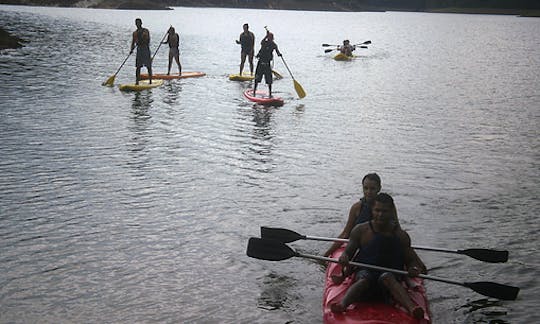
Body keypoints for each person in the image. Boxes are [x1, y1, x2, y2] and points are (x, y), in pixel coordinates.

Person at [329, 193, 425, 320]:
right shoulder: (360, 230)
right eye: (377, 210)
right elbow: (348, 252)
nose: (380, 214)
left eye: (384, 211)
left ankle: (412, 309)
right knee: (365, 278)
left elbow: (411, 260)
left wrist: (414, 269)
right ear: (372, 210)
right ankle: (343, 304)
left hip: (390, 281)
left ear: (391, 212)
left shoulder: (401, 235)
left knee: (387, 277)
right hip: (365, 275)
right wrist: (344, 258)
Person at [323, 173, 427, 276]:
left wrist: (418, 263)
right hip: (361, 244)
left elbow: (398, 233)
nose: (368, 192)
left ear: (379, 188)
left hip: (382, 245)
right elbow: (346, 233)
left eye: (372, 188)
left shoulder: (388, 206)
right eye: (366, 188)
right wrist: (327, 254)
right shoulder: (357, 207)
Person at [253, 31, 281, 98]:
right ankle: (254, 91)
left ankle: (270, 93)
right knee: (257, 78)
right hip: (260, 63)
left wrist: (279, 54)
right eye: (268, 38)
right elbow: (261, 41)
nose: (269, 39)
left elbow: (277, 51)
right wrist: (266, 35)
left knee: (269, 80)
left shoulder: (274, 45)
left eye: (270, 38)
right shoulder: (264, 43)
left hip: (267, 64)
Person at [130, 18, 152, 84]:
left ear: (141, 23)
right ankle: (137, 81)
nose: (137, 24)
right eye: (136, 23)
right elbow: (133, 42)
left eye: (138, 23)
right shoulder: (134, 33)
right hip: (139, 50)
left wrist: (142, 38)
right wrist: (131, 49)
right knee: (138, 66)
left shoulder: (146, 31)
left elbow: (148, 39)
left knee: (148, 66)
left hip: (145, 49)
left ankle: (150, 81)